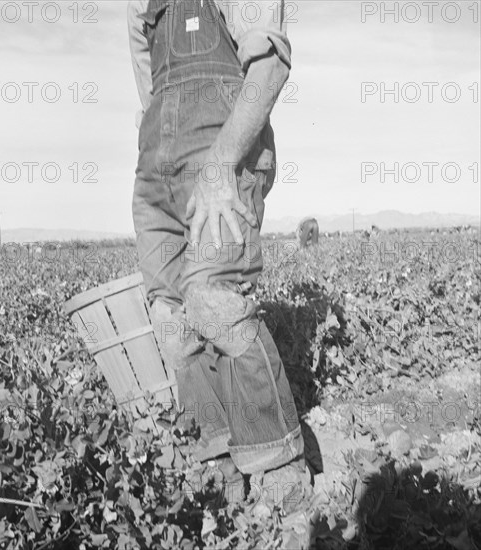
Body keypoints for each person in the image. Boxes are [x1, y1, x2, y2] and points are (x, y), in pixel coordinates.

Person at [127, 0, 307, 506]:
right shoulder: (139, 5)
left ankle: (278, 468)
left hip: (219, 151)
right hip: (156, 165)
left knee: (214, 301)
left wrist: (222, 162)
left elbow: (268, 66)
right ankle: (216, 459)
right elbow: (149, 90)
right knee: (172, 315)